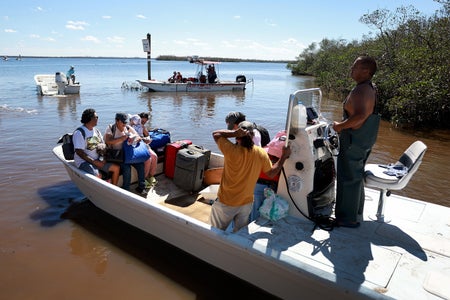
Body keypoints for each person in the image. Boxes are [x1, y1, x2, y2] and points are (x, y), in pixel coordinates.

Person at [210, 121, 291, 232]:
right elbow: (272, 173)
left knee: (216, 232)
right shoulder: (260, 153)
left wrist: (234, 133)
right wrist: (283, 157)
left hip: (226, 202)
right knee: (240, 232)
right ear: (253, 136)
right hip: (246, 203)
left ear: (238, 137)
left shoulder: (230, 150)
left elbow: (216, 134)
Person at [332, 55, 380, 228]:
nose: (351, 69)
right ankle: (355, 211)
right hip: (364, 140)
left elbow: (360, 116)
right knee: (356, 175)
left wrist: (340, 126)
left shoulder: (360, 90)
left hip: (354, 140)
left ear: (366, 71)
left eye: (355, 67)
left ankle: (346, 218)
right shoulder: (370, 88)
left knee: (347, 177)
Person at [73, 108, 120, 185]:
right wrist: (94, 162)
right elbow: (79, 152)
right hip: (84, 162)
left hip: (98, 160)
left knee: (116, 168)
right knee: (98, 176)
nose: (98, 119)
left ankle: (113, 190)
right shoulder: (79, 132)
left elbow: (103, 146)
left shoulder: (96, 131)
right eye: (96, 117)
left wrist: (103, 159)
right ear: (90, 118)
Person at [104, 112, 148, 195]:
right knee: (127, 168)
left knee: (141, 165)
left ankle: (141, 187)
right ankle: (126, 190)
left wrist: (135, 139)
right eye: (123, 122)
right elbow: (108, 141)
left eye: (126, 122)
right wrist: (122, 139)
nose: (125, 124)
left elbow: (138, 136)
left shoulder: (127, 127)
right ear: (117, 121)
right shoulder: (110, 128)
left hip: (128, 154)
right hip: (117, 155)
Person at [129, 112, 158, 186]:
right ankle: (144, 179)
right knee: (148, 159)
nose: (143, 123)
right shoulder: (130, 127)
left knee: (154, 156)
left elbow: (147, 135)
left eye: (145, 122)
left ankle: (151, 176)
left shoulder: (141, 126)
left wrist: (144, 131)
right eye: (142, 121)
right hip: (136, 146)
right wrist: (142, 139)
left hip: (143, 145)